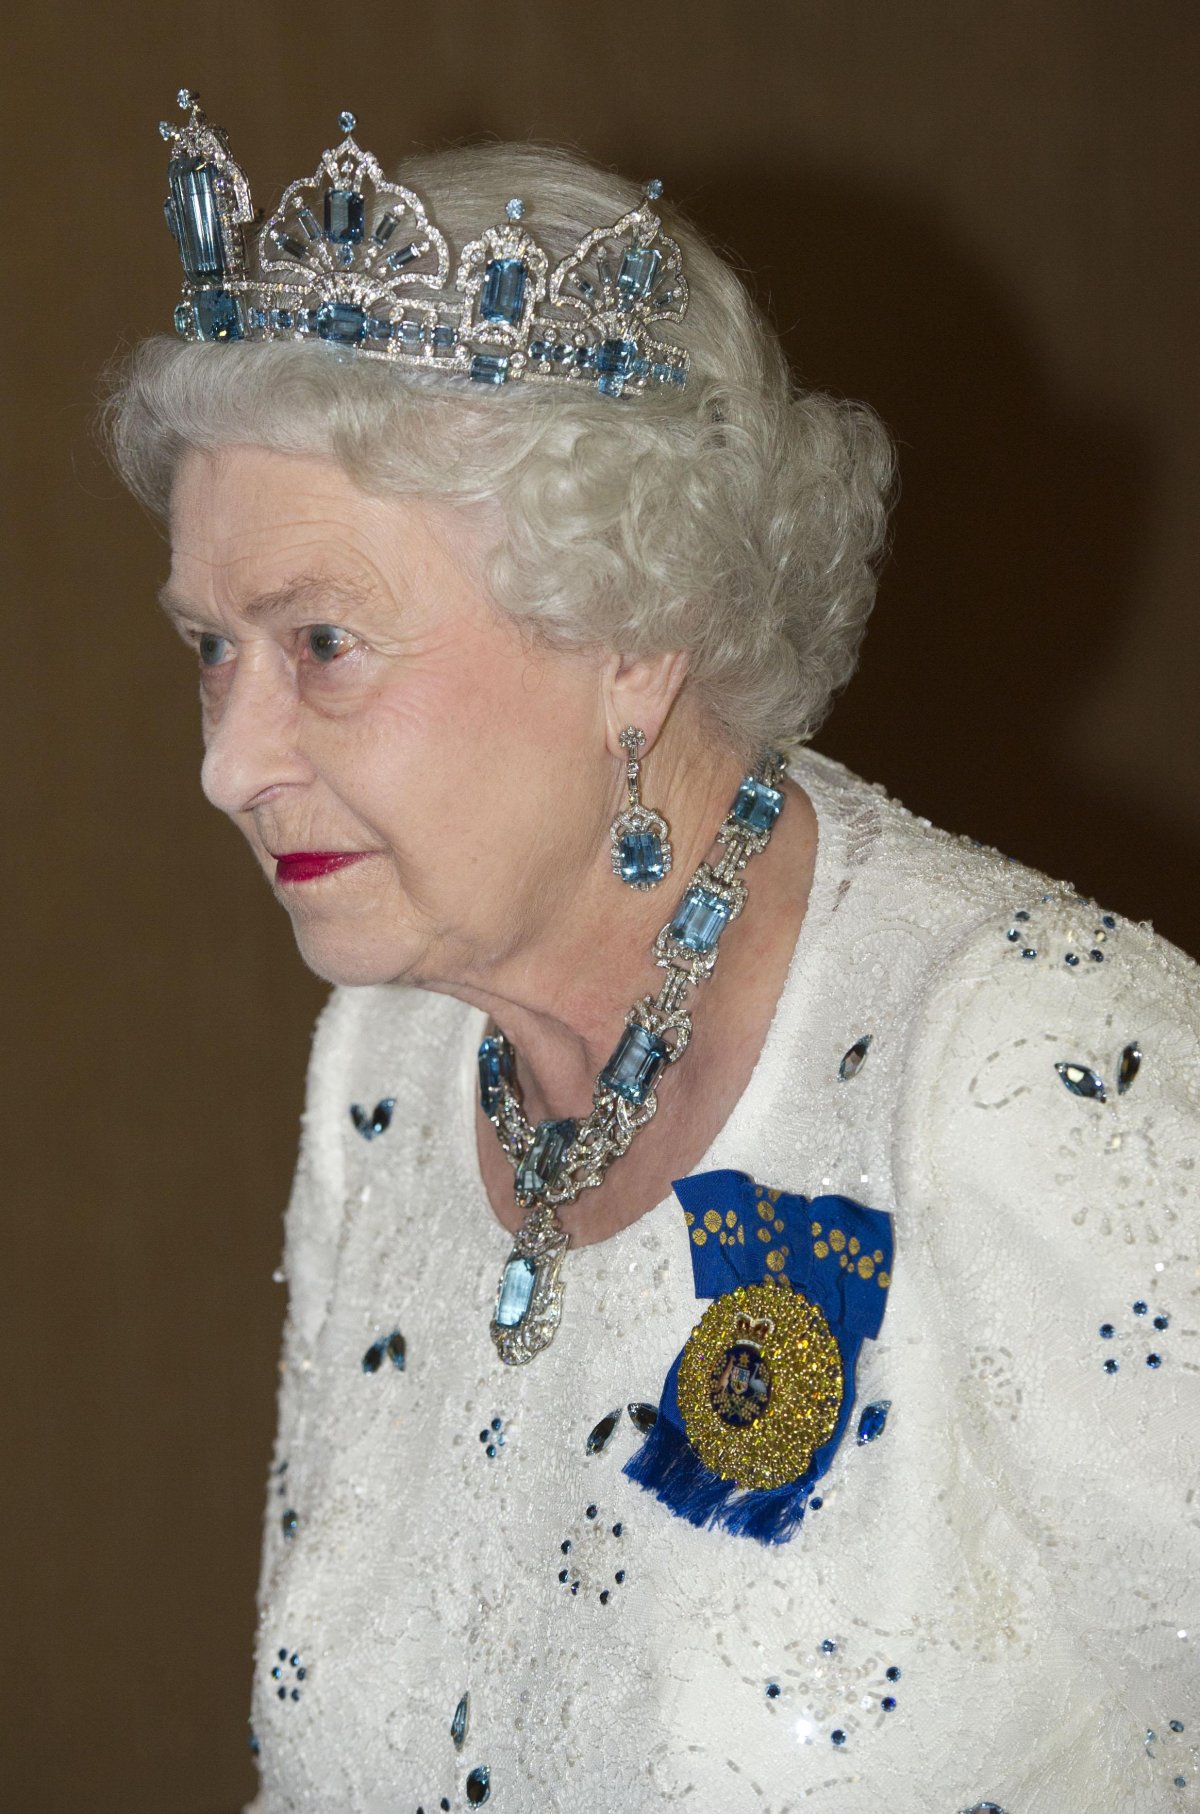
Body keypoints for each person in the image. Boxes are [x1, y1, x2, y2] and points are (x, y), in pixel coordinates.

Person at [105, 91, 1199, 1813]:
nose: (228, 763)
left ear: (631, 635)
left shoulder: (1030, 1066)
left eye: (319, 643)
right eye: (209, 650)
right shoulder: (392, 1056)